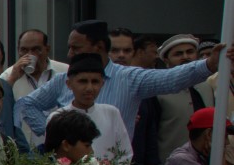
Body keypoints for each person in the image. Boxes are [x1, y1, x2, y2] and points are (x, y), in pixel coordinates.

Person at [18, 19, 228, 141]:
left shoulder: (129, 78)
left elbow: (171, 78)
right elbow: (27, 104)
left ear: (99, 47)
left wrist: (208, 65)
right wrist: (53, 133)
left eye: (76, 47)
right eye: (70, 47)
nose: (70, 53)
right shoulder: (63, 79)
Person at [46, 53, 132, 161]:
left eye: (95, 82)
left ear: (102, 84)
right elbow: (53, 156)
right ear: (69, 84)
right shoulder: (57, 118)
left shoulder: (112, 113)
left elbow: (125, 154)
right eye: (83, 81)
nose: (89, 88)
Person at [0, 29, 67, 150]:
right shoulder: (8, 76)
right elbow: (0, 109)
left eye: (36, 49)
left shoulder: (65, 71)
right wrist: (12, 79)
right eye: (24, 50)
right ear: (18, 50)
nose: (30, 55)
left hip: (62, 147)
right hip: (25, 149)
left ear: (47, 49)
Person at [154, 35, 214, 165]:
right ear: (166, 59)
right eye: (178, 54)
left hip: (208, 163)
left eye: (190, 52)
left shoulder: (207, 85)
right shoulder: (158, 89)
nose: (185, 57)